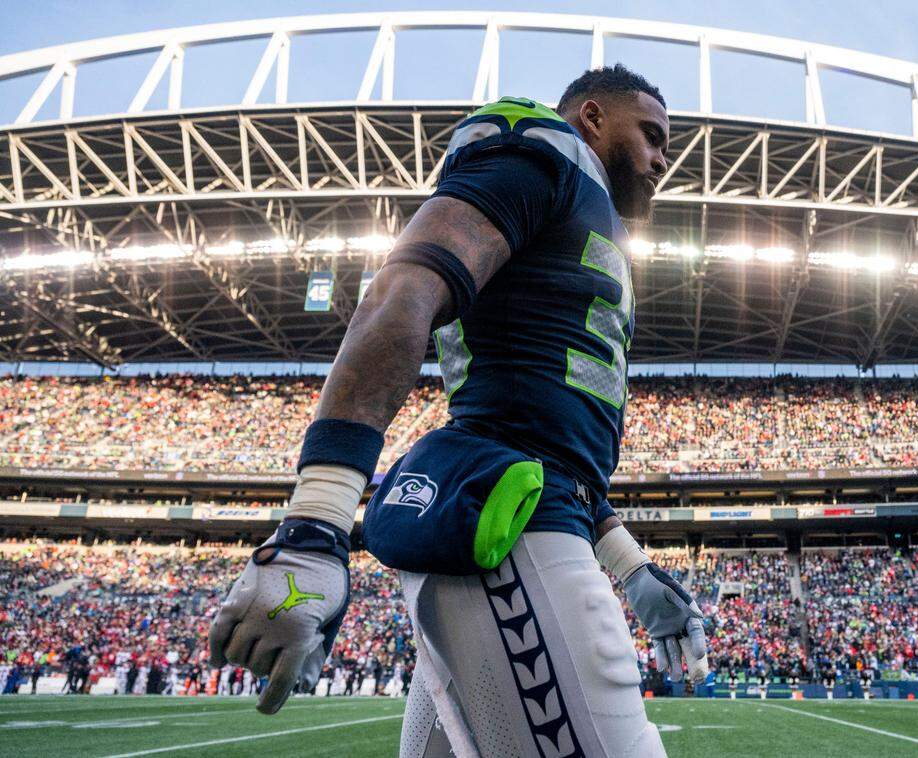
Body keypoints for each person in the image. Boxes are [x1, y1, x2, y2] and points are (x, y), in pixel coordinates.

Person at [208, 63, 707, 756]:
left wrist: (632, 567)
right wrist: (316, 521)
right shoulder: (542, 154)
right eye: (651, 135)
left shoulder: (586, 217)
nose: (662, 159)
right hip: (509, 532)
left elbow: (550, 441)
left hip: (527, 512)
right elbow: (399, 290)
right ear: (592, 118)